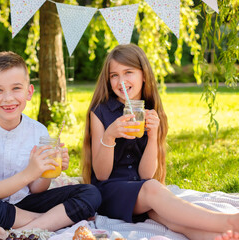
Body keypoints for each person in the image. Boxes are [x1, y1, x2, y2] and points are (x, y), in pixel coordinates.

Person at [82, 44, 239, 240]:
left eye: (128, 72)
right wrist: (109, 136)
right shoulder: (100, 112)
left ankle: (223, 236)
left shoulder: (151, 111)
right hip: (110, 194)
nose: (121, 81)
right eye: (114, 75)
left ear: (144, 75)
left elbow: (146, 174)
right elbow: (102, 174)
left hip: (142, 193)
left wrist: (154, 135)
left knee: (173, 220)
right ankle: (230, 221)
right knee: (153, 188)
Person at [0, 51, 102, 240]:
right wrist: (30, 172)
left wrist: (49, 169)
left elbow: (37, 189)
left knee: (90, 193)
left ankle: (18, 233)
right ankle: (54, 221)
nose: (8, 98)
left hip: (27, 203)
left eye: (16, 88)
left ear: (29, 92)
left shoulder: (38, 131)